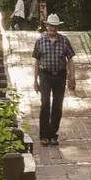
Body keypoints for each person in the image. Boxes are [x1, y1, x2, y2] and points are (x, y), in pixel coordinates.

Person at [34, 14, 77, 145]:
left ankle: (53, 134)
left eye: (55, 26)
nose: (52, 28)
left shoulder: (64, 40)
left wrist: (72, 76)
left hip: (60, 76)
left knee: (58, 106)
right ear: (47, 26)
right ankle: (43, 135)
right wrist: (35, 80)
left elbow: (70, 59)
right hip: (45, 75)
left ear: (57, 27)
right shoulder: (40, 41)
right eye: (50, 25)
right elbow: (36, 61)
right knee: (45, 103)